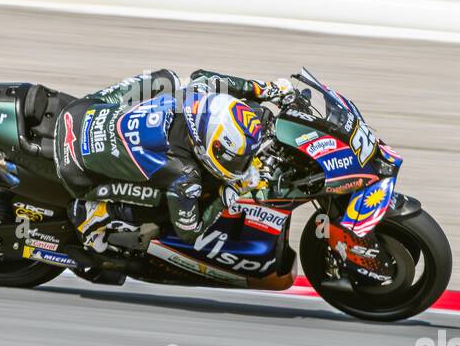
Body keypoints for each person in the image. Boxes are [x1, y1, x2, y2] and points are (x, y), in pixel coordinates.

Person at [52, 69, 294, 252]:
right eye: (235, 161)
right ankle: (97, 213)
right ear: (209, 147)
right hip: (77, 171)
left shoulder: (198, 93)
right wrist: (226, 195)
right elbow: (190, 232)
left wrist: (264, 89)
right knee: (170, 208)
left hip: (81, 111)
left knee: (168, 79)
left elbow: (209, 78)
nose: (239, 167)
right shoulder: (185, 174)